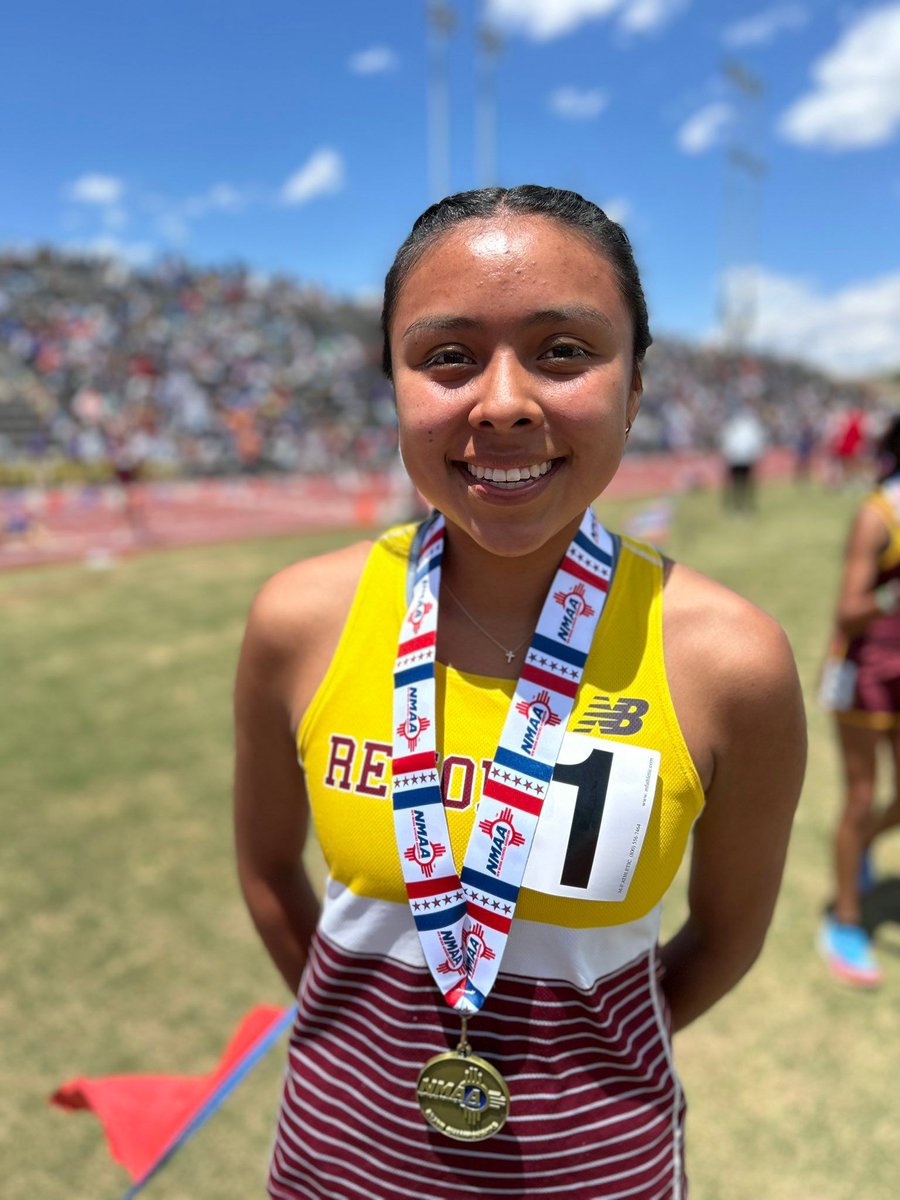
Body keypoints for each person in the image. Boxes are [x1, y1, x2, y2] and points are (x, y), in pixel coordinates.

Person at [233, 186, 806, 1200]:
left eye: (563, 351)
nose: (502, 401)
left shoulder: (731, 662)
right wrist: (367, 1036)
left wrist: (582, 1065)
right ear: (395, 385)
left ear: (633, 387)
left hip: (598, 1167)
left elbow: (725, 936)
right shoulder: (299, 619)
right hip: (336, 1157)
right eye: (447, 357)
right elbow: (270, 875)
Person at [819, 414, 900, 987]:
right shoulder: (879, 514)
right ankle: (844, 920)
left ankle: (865, 847)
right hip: (863, 673)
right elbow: (848, 609)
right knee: (861, 796)